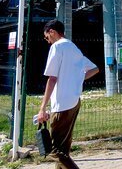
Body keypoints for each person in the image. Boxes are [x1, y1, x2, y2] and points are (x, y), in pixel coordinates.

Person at [37, 20, 99, 169]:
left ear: (52, 31)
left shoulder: (56, 47)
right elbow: (94, 69)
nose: (47, 41)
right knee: (63, 149)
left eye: (47, 37)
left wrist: (42, 108)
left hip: (62, 104)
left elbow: (52, 79)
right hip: (74, 102)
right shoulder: (73, 48)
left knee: (53, 149)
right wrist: (75, 79)